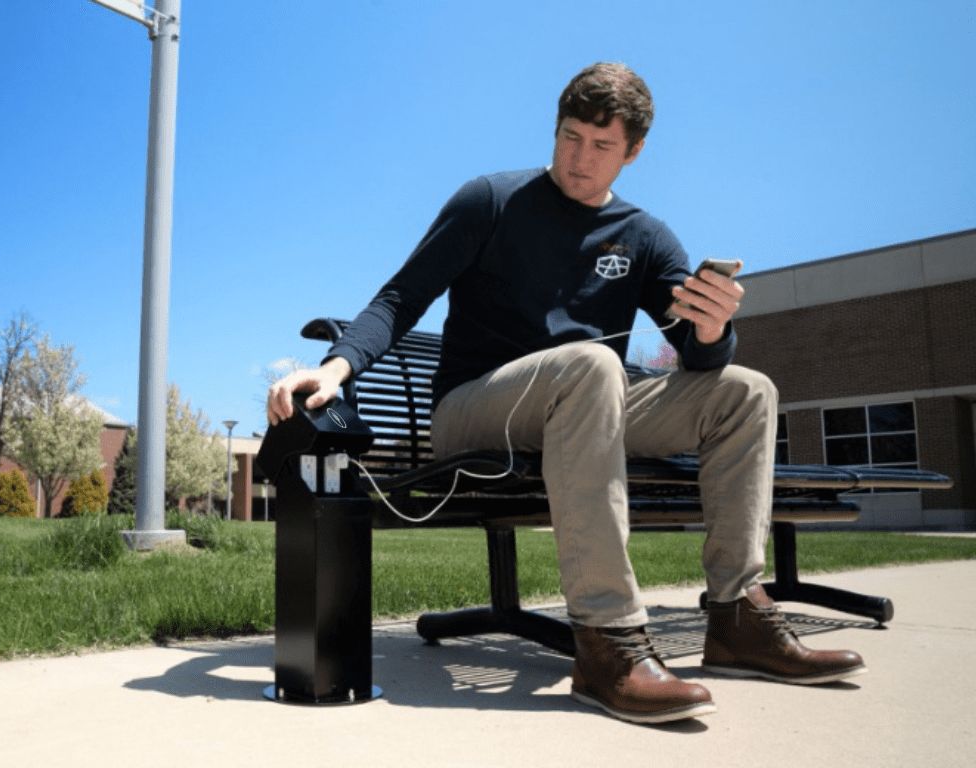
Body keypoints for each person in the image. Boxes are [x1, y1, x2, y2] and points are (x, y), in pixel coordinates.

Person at [267, 62, 866, 725]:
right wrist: (337, 367)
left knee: (745, 390)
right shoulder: (490, 200)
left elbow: (696, 354)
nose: (580, 159)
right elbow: (401, 298)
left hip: (585, 404)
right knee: (592, 365)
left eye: (601, 145)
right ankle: (607, 642)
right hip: (474, 410)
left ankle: (736, 617)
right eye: (570, 136)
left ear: (634, 152)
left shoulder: (645, 236)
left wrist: (715, 327)